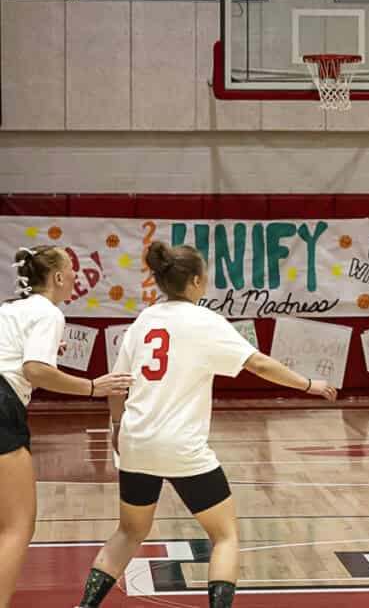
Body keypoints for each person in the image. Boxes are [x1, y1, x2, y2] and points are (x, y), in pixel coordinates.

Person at [75, 242, 336, 608]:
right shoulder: (207, 322)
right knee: (225, 536)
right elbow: (258, 364)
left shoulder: (144, 320)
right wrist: (310, 384)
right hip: (182, 448)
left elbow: (117, 384)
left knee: (129, 532)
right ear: (196, 281)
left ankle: (84, 606)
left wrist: (118, 426)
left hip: (136, 441)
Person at [0, 246, 134, 608]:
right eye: (72, 269)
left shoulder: (9, 308)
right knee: (17, 524)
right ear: (58, 277)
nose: (77, 274)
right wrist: (93, 387)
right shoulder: (48, 312)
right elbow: (34, 370)